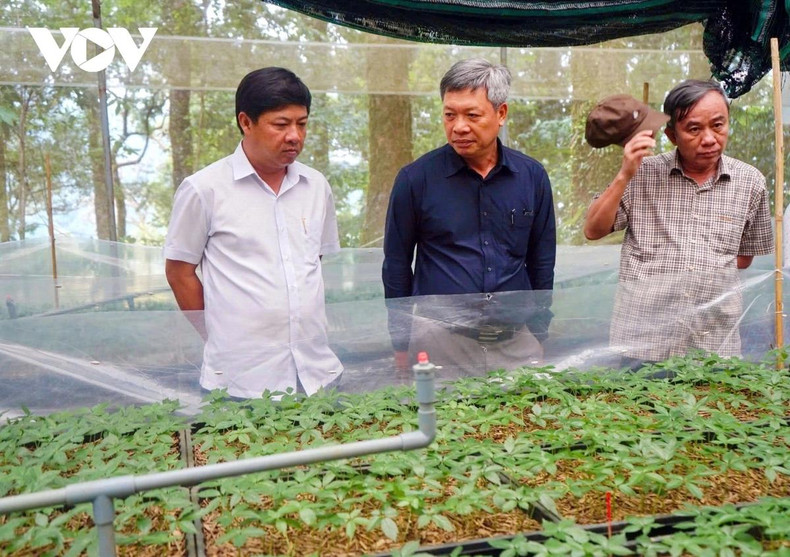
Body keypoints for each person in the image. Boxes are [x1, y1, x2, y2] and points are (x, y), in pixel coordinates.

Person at [164, 67, 342, 398]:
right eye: (281, 124)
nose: (295, 136)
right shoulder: (204, 190)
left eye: (302, 124)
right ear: (246, 122)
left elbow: (312, 261)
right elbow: (179, 272)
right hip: (240, 382)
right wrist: (217, 333)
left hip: (317, 373)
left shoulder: (316, 187)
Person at [382, 58, 556, 376]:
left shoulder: (531, 176)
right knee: (441, 424)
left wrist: (539, 331)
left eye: (472, 115)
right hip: (438, 342)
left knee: (525, 423)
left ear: (501, 113)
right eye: (450, 115)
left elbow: (542, 260)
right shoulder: (416, 179)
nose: (459, 126)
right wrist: (401, 342)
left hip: (515, 342)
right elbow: (396, 265)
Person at [583, 80, 773, 367]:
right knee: (641, 411)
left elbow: (744, 258)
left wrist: (700, 273)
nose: (709, 139)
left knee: (711, 411)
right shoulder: (643, 173)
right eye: (694, 129)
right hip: (644, 341)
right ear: (672, 135)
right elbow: (593, 230)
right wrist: (624, 174)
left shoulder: (751, 183)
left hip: (713, 341)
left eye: (718, 125)